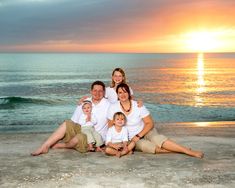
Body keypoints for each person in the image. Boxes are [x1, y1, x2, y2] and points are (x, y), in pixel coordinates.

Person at [107, 83, 204, 158]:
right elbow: (111, 126)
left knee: (157, 139)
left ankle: (188, 151)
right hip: (131, 139)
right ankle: (176, 150)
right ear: (117, 94)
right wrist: (118, 140)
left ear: (128, 93)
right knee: (147, 147)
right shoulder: (113, 107)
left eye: (125, 92)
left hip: (145, 131)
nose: (123, 94)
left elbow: (150, 123)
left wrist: (138, 135)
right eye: (120, 92)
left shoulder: (138, 105)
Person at [31, 81, 110, 156]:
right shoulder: (85, 102)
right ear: (91, 91)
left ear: (104, 92)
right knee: (67, 124)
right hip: (83, 129)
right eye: (95, 90)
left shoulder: (108, 105)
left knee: (78, 138)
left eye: (100, 91)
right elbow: (74, 121)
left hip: (95, 135)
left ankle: (63, 145)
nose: (97, 93)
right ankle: (44, 146)